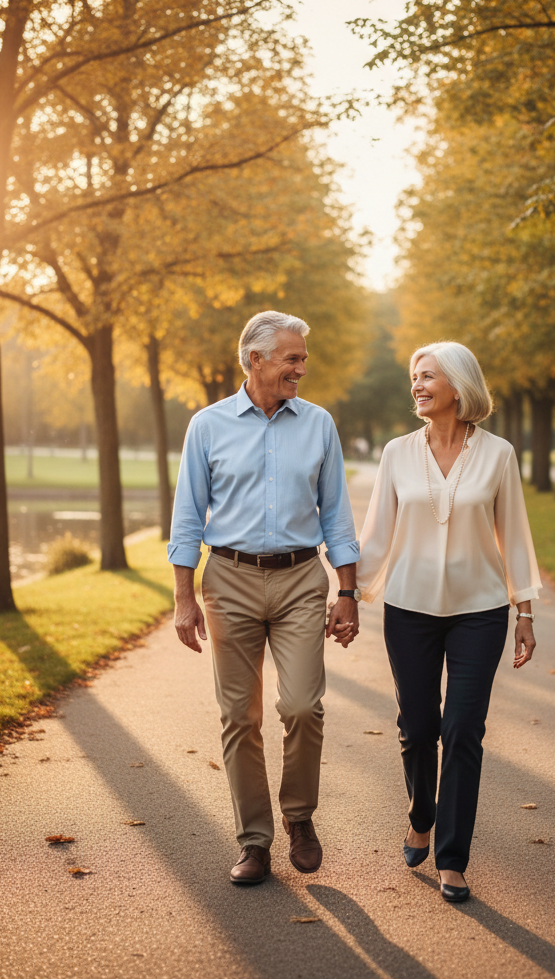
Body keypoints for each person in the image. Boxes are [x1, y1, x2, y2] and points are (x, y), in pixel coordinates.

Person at [168, 310, 361, 886]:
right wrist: (184, 597)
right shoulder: (207, 425)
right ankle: (254, 841)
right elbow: (186, 518)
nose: (302, 368)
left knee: (302, 705)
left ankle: (299, 817)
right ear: (256, 360)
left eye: (302, 358)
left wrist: (348, 591)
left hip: (302, 578)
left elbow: (337, 515)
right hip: (229, 579)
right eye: (292, 358)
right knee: (239, 717)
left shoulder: (318, 423)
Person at [356, 341, 541, 904]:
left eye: (427, 375)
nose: (416, 384)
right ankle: (420, 814)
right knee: (417, 726)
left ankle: (453, 858)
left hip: (479, 614)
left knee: (463, 730)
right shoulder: (396, 453)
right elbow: (377, 535)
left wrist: (524, 610)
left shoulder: (499, 454)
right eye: (414, 376)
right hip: (408, 610)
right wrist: (344, 592)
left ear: (458, 386)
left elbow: (514, 534)